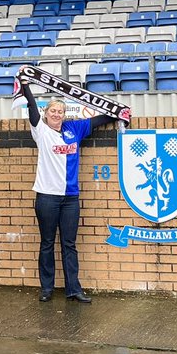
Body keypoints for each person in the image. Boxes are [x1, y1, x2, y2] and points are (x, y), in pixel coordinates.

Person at [19, 77, 119, 304]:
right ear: (46, 114)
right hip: (47, 197)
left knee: (69, 244)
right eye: (53, 111)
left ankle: (73, 289)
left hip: (70, 198)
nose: (56, 114)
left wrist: (117, 112)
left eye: (60, 111)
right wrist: (25, 86)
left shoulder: (74, 128)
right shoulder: (40, 130)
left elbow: (98, 121)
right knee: (46, 243)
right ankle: (47, 288)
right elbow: (32, 106)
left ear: (65, 115)